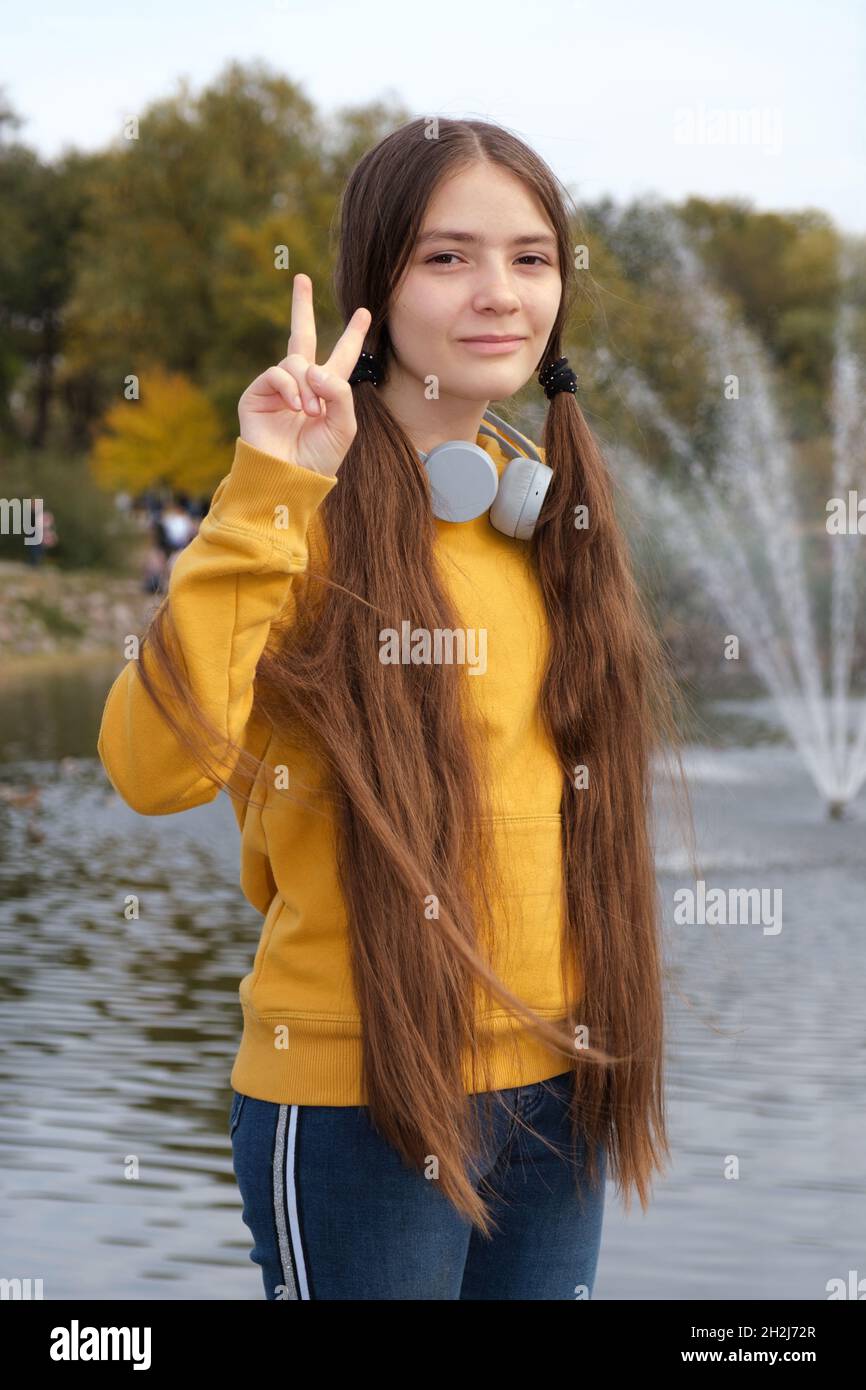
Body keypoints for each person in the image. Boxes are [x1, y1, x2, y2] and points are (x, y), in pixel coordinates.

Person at [97, 118, 691, 1301]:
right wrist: (271, 482)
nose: (498, 294)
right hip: (355, 1101)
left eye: (530, 259)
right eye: (446, 257)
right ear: (377, 280)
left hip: (558, 1085)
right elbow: (150, 768)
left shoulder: (545, 520)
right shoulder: (296, 516)